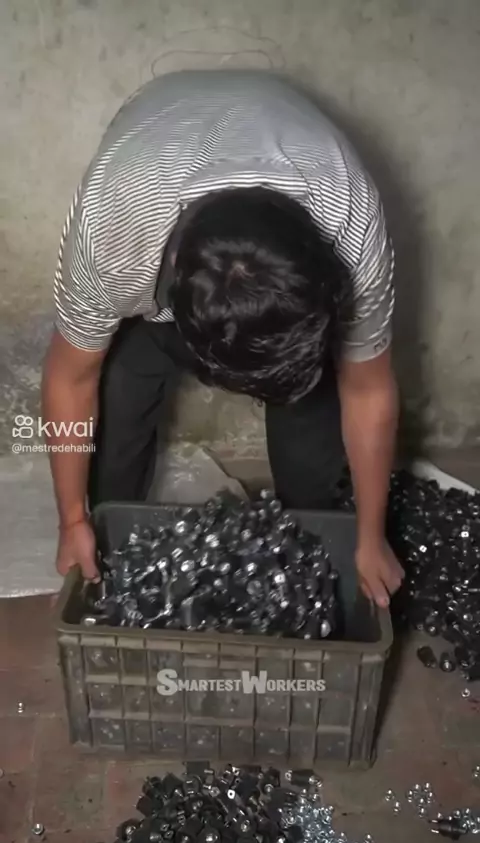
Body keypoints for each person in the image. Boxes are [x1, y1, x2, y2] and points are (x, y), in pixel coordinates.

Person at [42, 70, 404, 608]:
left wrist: (369, 536)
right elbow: (71, 379)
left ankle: (311, 542)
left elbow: (368, 389)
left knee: (312, 448)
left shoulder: (350, 221)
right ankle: (109, 531)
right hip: (154, 170)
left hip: (293, 168)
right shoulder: (115, 230)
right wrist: (72, 520)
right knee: (117, 401)